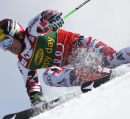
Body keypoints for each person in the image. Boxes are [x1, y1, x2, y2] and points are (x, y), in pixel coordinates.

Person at [0, 9, 128, 106]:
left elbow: (45, 15)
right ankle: (94, 77)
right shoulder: (23, 63)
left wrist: (53, 17)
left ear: (16, 33)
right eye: (2, 47)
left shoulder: (33, 31)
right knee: (48, 75)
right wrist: (37, 102)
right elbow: (32, 86)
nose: (7, 49)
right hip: (77, 64)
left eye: (6, 42)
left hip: (84, 47)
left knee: (111, 61)